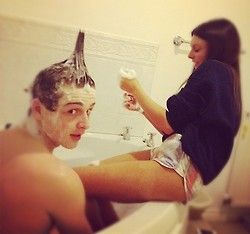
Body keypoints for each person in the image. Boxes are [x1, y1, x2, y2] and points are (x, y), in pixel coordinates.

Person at [74, 18, 242, 228]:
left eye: (196, 49)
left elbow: (168, 125)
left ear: (217, 49)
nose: (190, 55)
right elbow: (175, 128)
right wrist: (141, 108)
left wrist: (136, 88)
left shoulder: (214, 69)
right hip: (172, 157)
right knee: (92, 178)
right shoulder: (228, 80)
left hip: (180, 168)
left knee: (73, 179)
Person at [0, 32, 95, 234]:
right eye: (72, 111)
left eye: (89, 110)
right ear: (38, 110)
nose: (86, 124)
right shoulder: (60, 179)